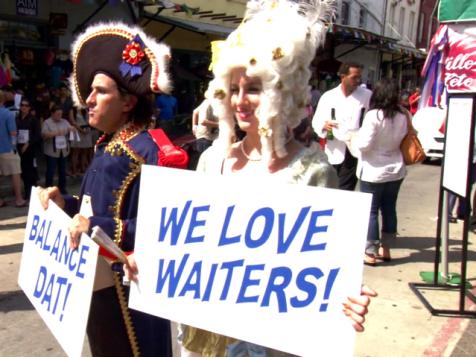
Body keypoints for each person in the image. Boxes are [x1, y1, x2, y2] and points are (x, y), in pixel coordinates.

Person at [125, 1, 376, 356]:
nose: (240, 101)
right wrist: (150, 263)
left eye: (254, 88)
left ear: (283, 92)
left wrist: (347, 297)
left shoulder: (313, 171)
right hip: (204, 339)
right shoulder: (213, 160)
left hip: (269, 345)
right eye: (234, 87)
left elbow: (322, 274)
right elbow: (192, 250)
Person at [38, 22, 181, 357]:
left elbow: (163, 230)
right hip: (96, 283)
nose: (88, 99)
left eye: (100, 91)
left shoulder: (151, 150)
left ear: (128, 102)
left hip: (132, 294)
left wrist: (96, 227)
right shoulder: (108, 144)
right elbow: (93, 211)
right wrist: (67, 204)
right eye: (90, 91)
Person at [347, 78, 408, 265]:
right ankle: (386, 248)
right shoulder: (403, 115)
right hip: (396, 168)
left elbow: (364, 145)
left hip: (373, 169)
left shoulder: (374, 115)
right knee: (389, 208)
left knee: (371, 211)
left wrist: (352, 138)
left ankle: (370, 252)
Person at [312, 62, 372, 191]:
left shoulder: (367, 96)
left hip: (354, 150)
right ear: (342, 76)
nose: (357, 81)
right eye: (354, 77)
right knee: (329, 186)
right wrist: (324, 126)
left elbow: (372, 119)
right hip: (333, 148)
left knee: (345, 189)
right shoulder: (329, 96)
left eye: (359, 77)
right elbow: (316, 120)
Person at [0, 89, 26, 207]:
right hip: (7, 148)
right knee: (16, 173)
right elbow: (13, 133)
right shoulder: (7, 113)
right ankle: (19, 199)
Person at [41, 105, 72, 194]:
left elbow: (70, 128)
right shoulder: (47, 122)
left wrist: (71, 129)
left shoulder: (64, 121)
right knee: (51, 170)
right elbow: (43, 135)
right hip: (51, 151)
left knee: (62, 170)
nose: (59, 116)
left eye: (61, 114)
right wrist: (55, 133)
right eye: (57, 114)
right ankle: (48, 188)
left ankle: (62, 188)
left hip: (63, 150)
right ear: (52, 114)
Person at [16, 98, 41, 200]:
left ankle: (29, 193)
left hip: (30, 149)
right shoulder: (17, 118)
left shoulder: (33, 119)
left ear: (29, 108)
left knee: (30, 171)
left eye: (26, 106)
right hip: (18, 147)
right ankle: (26, 191)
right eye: (22, 105)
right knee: (22, 171)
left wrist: (28, 143)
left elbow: (37, 135)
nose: (24, 107)